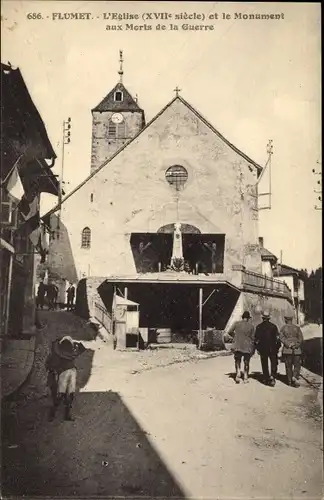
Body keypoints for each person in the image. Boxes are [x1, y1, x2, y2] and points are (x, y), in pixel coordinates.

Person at [45, 336, 87, 421]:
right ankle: (66, 414)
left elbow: (50, 364)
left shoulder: (57, 355)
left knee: (60, 395)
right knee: (69, 395)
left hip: (61, 374)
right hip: (70, 373)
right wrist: (76, 344)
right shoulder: (73, 353)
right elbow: (82, 348)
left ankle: (52, 414)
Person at [226, 311, 255, 384]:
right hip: (247, 346)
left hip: (237, 345)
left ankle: (238, 374)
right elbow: (252, 338)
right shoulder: (251, 326)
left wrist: (235, 337)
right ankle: (245, 377)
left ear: (242, 317)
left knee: (237, 360)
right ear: (248, 318)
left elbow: (229, 332)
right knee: (246, 362)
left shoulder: (236, 323)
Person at [255, 310, 281, 387]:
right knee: (273, 363)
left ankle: (266, 378)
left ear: (262, 318)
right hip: (272, 348)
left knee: (264, 363)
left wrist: (258, 349)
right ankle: (272, 377)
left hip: (263, 349)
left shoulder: (258, 327)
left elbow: (256, 340)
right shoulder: (274, 326)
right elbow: (277, 339)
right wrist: (277, 347)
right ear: (269, 318)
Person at [279, 313, 304, 387]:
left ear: (286, 320)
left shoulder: (283, 328)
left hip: (287, 350)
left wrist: (288, 344)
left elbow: (281, 338)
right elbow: (301, 338)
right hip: (296, 350)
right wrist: (296, 345)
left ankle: (289, 381)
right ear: (292, 320)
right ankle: (295, 376)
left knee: (288, 366)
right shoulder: (297, 328)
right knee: (297, 365)